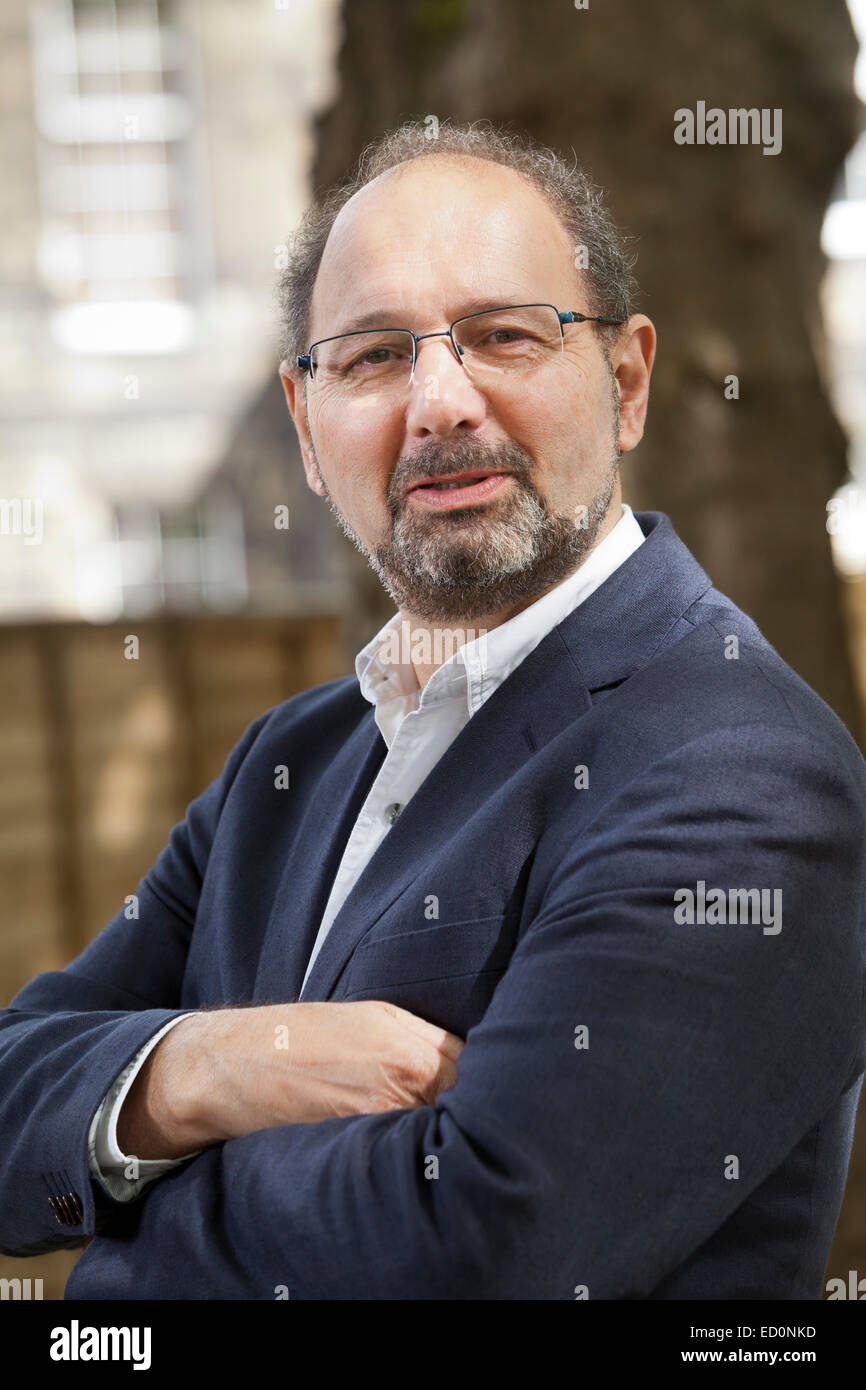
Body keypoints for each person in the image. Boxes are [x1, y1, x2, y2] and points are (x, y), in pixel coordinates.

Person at [2, 121, 865, 1300]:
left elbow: (482, 1251)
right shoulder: (291, 759)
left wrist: (121, 1245)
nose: (439, 403)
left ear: (624, 383)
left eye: (502, 335)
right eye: (369, 357)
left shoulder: (741, 772)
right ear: (305, 430)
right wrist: (210, 1065)